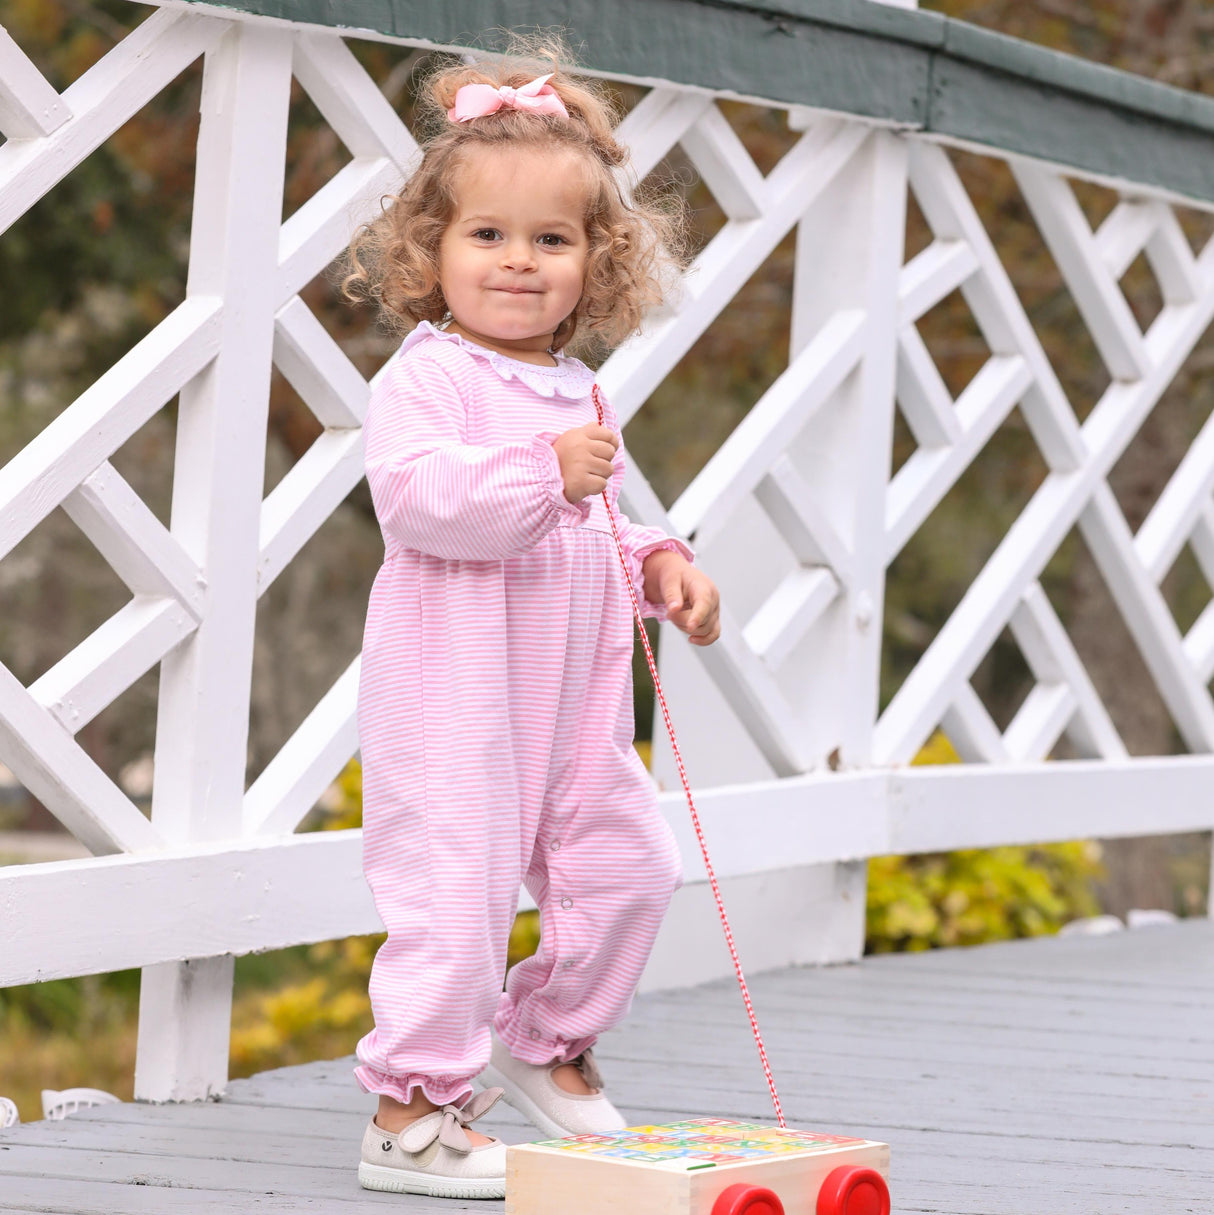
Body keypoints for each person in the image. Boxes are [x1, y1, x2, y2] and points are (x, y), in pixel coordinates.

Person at [343, 43, 721, 1200]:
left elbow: (597, 511)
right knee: (454, 898)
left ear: (596, 263)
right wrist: (541, 473)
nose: (518, 260)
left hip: (573, 706)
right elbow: (418, 501)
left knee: (629, 868)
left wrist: (656, 556)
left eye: (551, 240)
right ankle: (410, 1113)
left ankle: (542, 1037)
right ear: (430, 251)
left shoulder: (573, 387)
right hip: (456, 696)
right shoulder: (429, 378)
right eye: (487, 235)